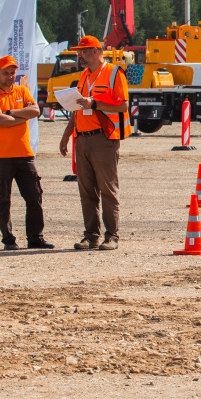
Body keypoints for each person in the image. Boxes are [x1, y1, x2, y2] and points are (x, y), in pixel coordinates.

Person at [58, 35, 128, 251]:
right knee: (86, 190)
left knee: (107, 189)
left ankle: (112, 236)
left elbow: (123, 106)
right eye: (79, 52)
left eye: (84, 51)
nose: (80, 56)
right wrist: (66, 134)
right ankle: (91, 236)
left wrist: (95, 103)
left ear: (97, 51)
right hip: (83, 139)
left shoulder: (114, 73)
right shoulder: (83, 77)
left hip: (104, 138)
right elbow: (78, 109)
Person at [0, 55, 53, 251]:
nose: (9, 76)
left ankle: (35, 238)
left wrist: (12, 113)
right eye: (5, 73)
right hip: (1, 155)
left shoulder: (23, 91)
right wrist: (22, 116)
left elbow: (36, 111)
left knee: (35, 196)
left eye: (12, 72)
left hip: (24, 153)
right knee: (3, 199)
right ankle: (8, 239)